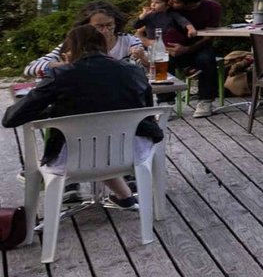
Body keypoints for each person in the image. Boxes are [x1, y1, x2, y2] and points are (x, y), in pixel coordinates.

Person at [6, 23, 162, 210]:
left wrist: (51, 110)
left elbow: (11, 118)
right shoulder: (134, 71)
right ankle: (125, 197)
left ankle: (42, 182)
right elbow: (147, 110)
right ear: (104, 46)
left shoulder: (60, 74)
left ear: (71, 49)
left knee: (88, 143)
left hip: (77, 160)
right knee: (101, 140)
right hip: (133, 152)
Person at [27, 1, 147, 78]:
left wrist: (142, 57)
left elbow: (147, 68)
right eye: (99, 26)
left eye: (109, 25)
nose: (105, 31)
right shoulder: (74, 44)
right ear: (85, 27)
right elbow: (31, 68)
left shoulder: (128, 41)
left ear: (116, 23)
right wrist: (66, 65)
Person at [167, 0, 224, 117]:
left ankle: (205, 100)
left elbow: (210, 36)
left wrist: (187, 49)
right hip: (171, 44)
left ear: (190, 4)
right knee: (163, 61)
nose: (170, 2)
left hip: (199, 44)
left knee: (206, 59)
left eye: (175, 2)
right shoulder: (167, 6)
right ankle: (165, 102)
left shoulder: (212, 7)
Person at [130, 0, 196, 50]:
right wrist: (142, 16)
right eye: (152, 2)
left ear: (167, 5)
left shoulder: (172, 14)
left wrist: (190, 28)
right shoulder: (149, 15)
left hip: (166, 44)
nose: (153, 4)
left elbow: (183, 21)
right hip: (150, 45)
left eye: (157, 2)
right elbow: (136, 26)